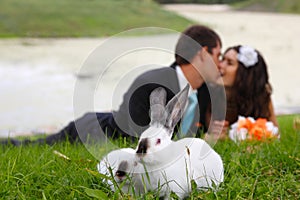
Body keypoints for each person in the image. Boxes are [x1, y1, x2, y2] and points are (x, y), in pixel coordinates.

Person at [2, 25, 226, 146]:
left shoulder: (201, 94)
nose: (220, 64)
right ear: (203, 53)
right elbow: (140, 142)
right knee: (28, 146)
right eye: (218, 55)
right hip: (90, 131)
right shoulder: (152, 83)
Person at [207, 45, 278, 139]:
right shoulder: (208, 94)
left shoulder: (261, 97)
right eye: (222, 59)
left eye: (229, 63)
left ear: (244, 73)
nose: (220, 65)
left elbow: (275, 134)